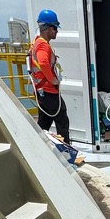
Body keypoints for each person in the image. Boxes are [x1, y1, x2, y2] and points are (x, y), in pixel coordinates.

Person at [29, 9, 70, 142]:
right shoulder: (43, 45)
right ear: (47, 28)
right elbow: (43, 63)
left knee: (44, 121)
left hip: (42, 92)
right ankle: (66, 150)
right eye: (55, 28)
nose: (57, 31)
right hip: (48, 91)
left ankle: (40, 146)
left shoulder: (37, 42)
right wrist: (53, 80)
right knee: (62, 120)